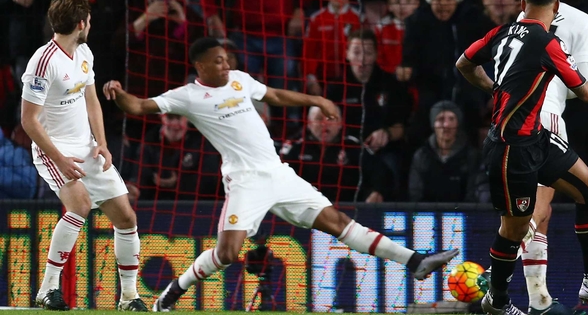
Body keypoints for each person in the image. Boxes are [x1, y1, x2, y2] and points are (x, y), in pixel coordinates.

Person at [102, 37, 458, 312]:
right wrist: (118, 94)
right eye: (218, 60)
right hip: (244, 181)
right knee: (228, 253)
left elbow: (273, 95)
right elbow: (139, 106)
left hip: (279, 173)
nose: (226, 64)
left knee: (337, 221)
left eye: (227, 58)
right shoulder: (188, 96)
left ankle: (415, 260)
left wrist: (316, 101)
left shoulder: (240, 80)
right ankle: (175, 288)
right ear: (201, 66)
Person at [456, 0, 588, 315]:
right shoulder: (546, 40)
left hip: (538, 138)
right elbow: (584, 91)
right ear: (555, 8)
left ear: (522, 4)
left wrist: (494, 88)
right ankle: (496, 300)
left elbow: (463, 63)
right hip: (512, 150)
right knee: (514, 229)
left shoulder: (500, 32)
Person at [20, 0, 146, 311]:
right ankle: (48, 289)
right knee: (81, 204)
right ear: (80, 23)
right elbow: (28, 120)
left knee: (126, 216)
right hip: (54, 149)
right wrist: (60, 160)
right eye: (88, 19)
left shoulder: (84, 51)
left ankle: (129, 297)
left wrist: (101, 143)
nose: (90, 23)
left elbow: (91, 99)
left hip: (86, 147)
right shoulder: (43, 61)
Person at [517, 0, 588, 315]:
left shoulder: (520, 19)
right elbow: (580, 86)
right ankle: (493, 271)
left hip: (508, 119)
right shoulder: (582, 21)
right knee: (547, 202)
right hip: (546, 117)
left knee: (539, 212)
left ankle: (539, 301)